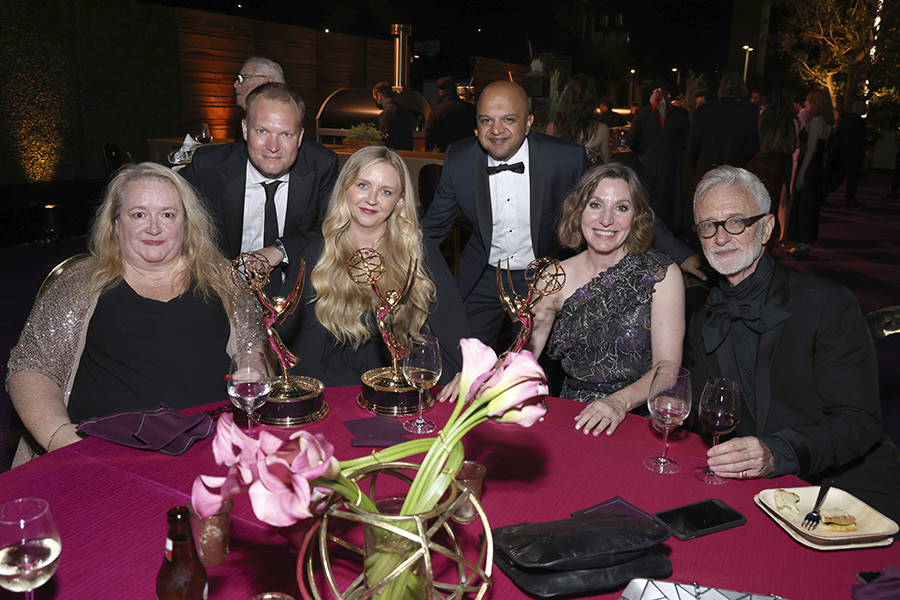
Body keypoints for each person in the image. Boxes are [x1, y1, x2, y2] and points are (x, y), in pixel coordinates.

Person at [6, 163, 265, 467]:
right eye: (139, 214)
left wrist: (253, 372)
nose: (154, 228)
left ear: (186, 224)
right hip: (104, 458)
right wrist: (64, 441)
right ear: (115, 224)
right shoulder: (79, 284)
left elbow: (252, 355)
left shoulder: (223, 280)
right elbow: (31, 367)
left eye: (168, 215)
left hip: (210, 450)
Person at [688, 165, 900, 522]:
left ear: (767, 227)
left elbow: (860, 421)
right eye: (708, 226)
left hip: (839, 485)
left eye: (736, 221)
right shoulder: (704, 319)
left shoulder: (826, 304)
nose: (721, 238)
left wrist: (777, 453)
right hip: (755, 489)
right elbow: (703, 414)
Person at [422, 80, 703, 348]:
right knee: (462, 358)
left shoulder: (565, 158)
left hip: (545, 275)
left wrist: (681, 253)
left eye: (508, 119)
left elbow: (624, 203)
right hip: (485, 275)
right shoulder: (459, 159)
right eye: (486, 120)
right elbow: (433, 228)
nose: (496, 130)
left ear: (529, 122)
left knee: (530, 369)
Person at [281, 146, 466, 385]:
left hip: (401, 391)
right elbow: (286, 339)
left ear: (399, 200)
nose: (371, 199)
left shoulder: (419, 251)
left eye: (385, 191)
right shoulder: (316, 253)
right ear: (346, 187)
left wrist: (465, 374)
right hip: (332, 394)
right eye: (363, 185)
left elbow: (453, 329)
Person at [527, 163, 684, 437]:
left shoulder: (663, 276)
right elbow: (522, 355)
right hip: (574, 417)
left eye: (621, 208)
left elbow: (668, 369)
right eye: (596, 205)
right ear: (579, 212)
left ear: (637, 217)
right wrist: (477, 377)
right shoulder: (553, 279)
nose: (606, 220)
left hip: (638, 418)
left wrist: (619, 402)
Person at [182, 83, 338, 278]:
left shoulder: (321, 165)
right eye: (262, 131)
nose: (273, 146)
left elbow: (334, 227)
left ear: (300, 138)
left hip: (293, 291)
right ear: (245, 130)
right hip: (224, 288)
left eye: (286, 134)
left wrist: (282, 249)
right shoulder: (210, 166)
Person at [627, 85, 690, 231]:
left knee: (646, 201)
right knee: (669, 201)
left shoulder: (642, 113)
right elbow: (685, 140)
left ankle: (643, 230)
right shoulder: (681, 114)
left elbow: (631, 141)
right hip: (671, 165)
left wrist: (641, 149)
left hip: (645, 165)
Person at [687, 72, 760, 185]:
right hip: (734, 173)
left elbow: (693, 145)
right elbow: (752, 147)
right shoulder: (749, 113)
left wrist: (697, 167)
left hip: (706, 169)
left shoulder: (704, 110)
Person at [786, 89, 833, 254]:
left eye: (807, 101)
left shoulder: (816, 122)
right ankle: (804, 242)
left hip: (810, 165)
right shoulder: (826, 122)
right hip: (817, 166)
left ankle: (801, 242)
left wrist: (801, 172)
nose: (805, 103)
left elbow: (811, 149)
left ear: (815, 104)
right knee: (810, 204)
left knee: (804, 204)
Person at [747, 90, 796, 242]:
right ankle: (765, 242)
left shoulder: (762, 118)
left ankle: (750, 238)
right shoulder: (788, 122)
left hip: (759, 162)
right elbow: (792, 147)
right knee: (771, 203)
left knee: (753, 202)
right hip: (777, 163)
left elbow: (753, 141)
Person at [546, 74, 612, 164]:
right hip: (588, 177)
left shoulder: (553, 128)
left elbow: (548, 162)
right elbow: (607, 162)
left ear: (567, 99)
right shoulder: (601, 130)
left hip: (561, 178)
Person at [424, 76, 476, 152]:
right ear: (455, 89)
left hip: (445, 154)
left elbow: (429, 137)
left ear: (441, 92)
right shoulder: (469, 108)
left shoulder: (436, 112)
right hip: (467, 152)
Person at [372, 81, 414, 151]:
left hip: (393, 154)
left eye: (375, 98)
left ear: (379, 95)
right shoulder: (403, 110)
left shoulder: (386, 113)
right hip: (406, 153)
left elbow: (383, 138)